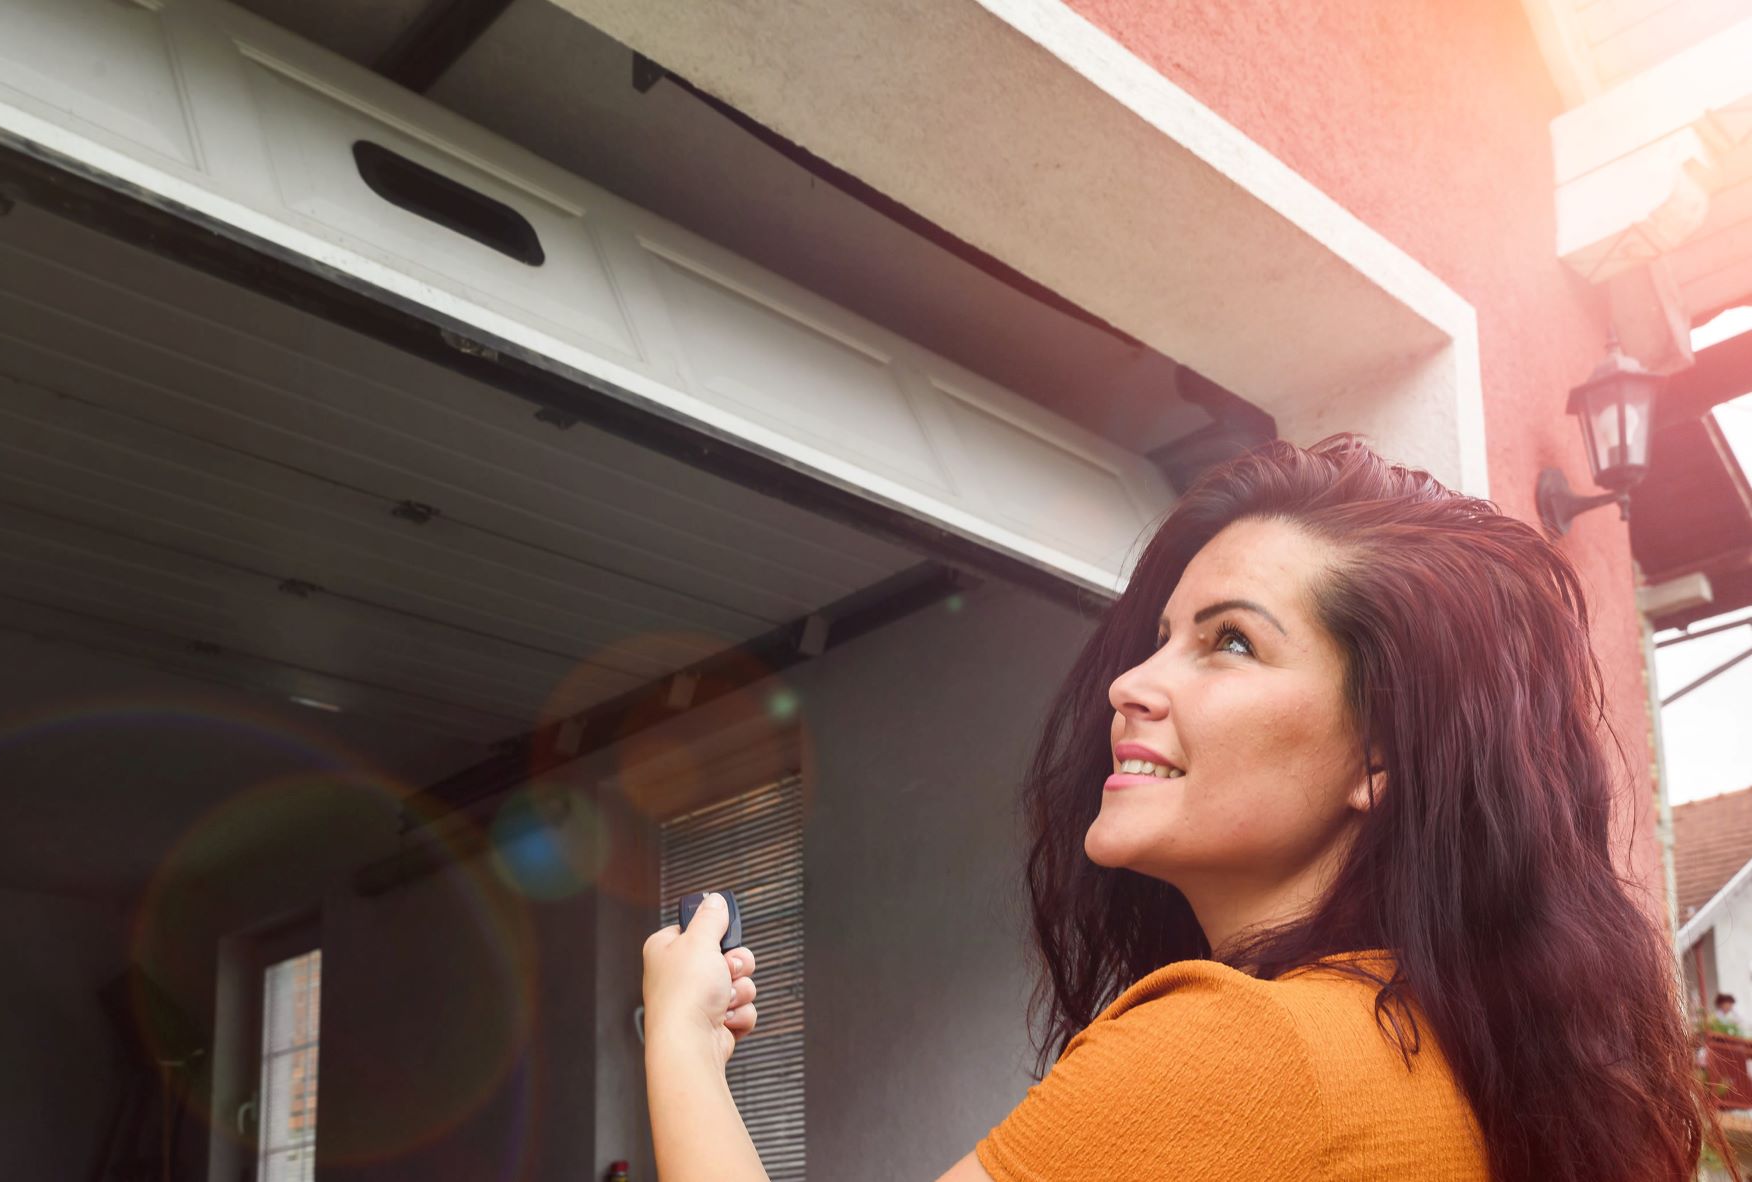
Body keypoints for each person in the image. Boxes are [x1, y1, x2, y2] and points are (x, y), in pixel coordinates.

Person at [640, 436, 1726, 1182]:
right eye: (1163, 635)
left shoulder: (1252, 1052)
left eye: (1232, 641)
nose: (1130, 683)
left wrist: (682, 1046)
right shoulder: (1442, 1048)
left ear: (1383, 754)